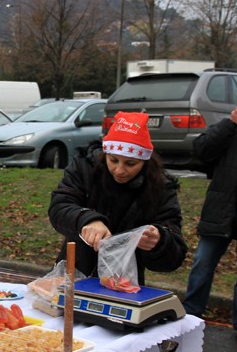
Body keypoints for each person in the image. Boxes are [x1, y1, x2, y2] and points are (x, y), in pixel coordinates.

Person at [49, 111, 188, 286]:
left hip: (123, 284)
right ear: (105, 153)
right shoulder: (84, 167)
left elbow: (174, 257)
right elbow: (59, 207)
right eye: (113, 160)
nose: (120, 170)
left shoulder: (161, 188)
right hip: (74, 275)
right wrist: (86, 220)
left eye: (130, 164)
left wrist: (159, 242)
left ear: (144, 160)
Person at [184, 87, 237, 341]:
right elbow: (201, 151)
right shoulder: (228, 128)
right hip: (221, 207)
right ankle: (191, 313)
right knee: (203, 262)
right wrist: (230, 124)